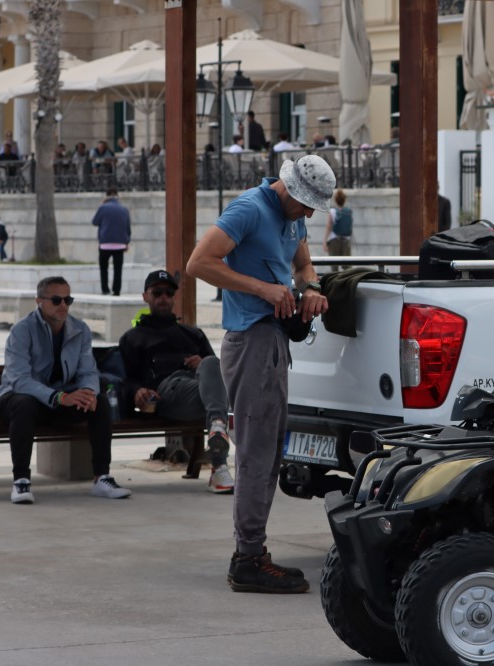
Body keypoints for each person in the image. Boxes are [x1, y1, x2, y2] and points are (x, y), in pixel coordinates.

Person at [186, 154, 335, 594]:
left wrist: (309, 288)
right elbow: (198, 263)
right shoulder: (250, 208)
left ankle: (253, 552)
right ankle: (247, 557)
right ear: (287, 189)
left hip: (271, 341)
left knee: (268, 454)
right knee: (255, 455)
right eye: (306, 205)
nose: (309, 214)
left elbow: (304, 265)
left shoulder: (293, 219)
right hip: (250, 339)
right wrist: (264, 288)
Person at [0, 276, 132, 504]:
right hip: (18, 400)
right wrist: (59, 397)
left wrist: (88, 392)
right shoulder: (22, 330)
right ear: (39, 301)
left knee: (100, 401)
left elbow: (88, 371)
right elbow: (19, 380)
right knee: (24, 403)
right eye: (57, 300)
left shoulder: (80, 330)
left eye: (68, 299)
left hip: (60, 401)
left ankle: (101, 478)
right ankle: (21, 481)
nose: (63, 305)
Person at [119, 270, 235, 493]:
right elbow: (124, 379)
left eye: (169, 293)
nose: (164, 297)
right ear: (146, 297)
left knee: (211, 362)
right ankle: (219, 457)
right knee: (219, 394)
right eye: (158, 292)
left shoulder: (193, 334)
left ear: (174, 297)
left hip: (200, 392)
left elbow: (216, 373)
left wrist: (200, 362)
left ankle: (218, 442)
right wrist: (138, 390)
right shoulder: (133, 338)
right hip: (166, 393)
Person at [92, 188, 131, 296]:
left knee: (104, 268)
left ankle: (105, 289)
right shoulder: (124, 209)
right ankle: (116, 290)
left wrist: (102, 206)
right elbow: (127, 227)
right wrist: (127, 242)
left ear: (106, 196)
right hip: (120, 244)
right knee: (118, 269)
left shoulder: (103, 208)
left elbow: (94, 222)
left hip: (105, 244)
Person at [323, 188, 353, 260]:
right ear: (344, 200)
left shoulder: (332, 211)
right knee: (347, 265)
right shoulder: (349, 211)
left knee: (334, 264)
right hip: (346, 240)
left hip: (334, 239)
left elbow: (328, 227)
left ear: (335, 200)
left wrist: (325, 241)